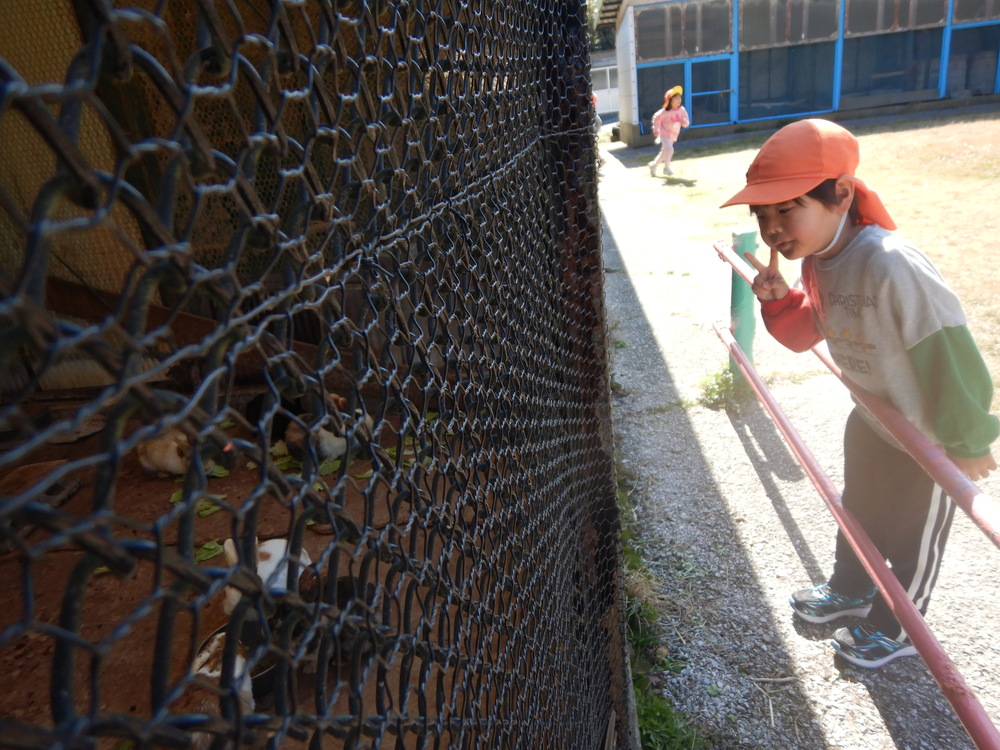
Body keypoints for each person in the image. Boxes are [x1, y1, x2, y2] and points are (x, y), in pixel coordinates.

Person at [720, 118, 999, 668]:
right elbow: (806, 335)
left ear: (841, 194)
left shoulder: (891, 265)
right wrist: (778, 300)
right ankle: (851, 589)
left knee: (914, 540)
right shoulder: (821, 260)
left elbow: (951, 356)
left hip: (928, 437)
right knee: (860, 512)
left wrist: (966, 441)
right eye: (762, 214)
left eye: (786, 208)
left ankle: (897, 627)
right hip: (872, 418)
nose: (773, 228)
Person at [649, 85, 689, 177]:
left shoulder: (682, 110)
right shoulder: (665, 111)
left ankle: (653, 165)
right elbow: (656, 117)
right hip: (664, 134)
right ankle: (666, 168)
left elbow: (686, 122)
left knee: (664, 153)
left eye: (680, 98)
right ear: (670, 100)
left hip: (673, 135)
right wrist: (656, 129)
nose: (679, 100)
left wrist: (685, 122)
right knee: (670, 149)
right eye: (676, 98)